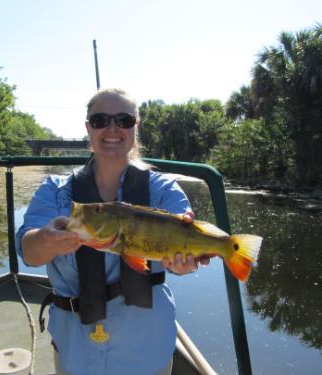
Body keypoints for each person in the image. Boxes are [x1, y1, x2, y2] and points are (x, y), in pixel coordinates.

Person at [16, 88, 210, 375]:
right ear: (88, 129)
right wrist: (47, 239)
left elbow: (182, 247)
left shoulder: (163, 189)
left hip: (147, 348)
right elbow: (28, 252)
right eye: (100, 120)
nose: (112, 129)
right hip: (76, 351)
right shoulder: (54, 191)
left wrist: (184, 265)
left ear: (135, 127)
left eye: (123, 120)